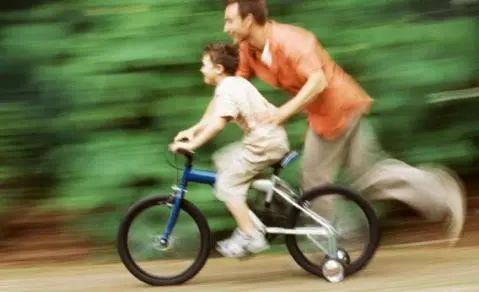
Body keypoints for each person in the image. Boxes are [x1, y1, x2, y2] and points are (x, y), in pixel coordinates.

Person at [222, 0, 466, 246]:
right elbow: (237, 86)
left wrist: (282, 112)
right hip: (338, 107)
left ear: (249, 20)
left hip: (336, 108)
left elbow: (317, 82)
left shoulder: (292, 41)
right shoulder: (248, 49)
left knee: (315, 180)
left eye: (230, 21)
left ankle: (332, 243)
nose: (226, 28)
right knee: (369, 176)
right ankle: (439, 189)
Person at [169, 42, 290, 257]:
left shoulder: (227, 88)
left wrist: (191, 145)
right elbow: (214, 111)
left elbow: (218, 123)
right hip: (268, 140)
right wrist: (193, 130)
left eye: (204, 64)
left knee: (225, 184)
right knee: (223, 160)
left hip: (263, 145)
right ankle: (265, 199)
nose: (200, 69)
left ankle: (252, 236)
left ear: (218, 69)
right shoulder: (232, 84)